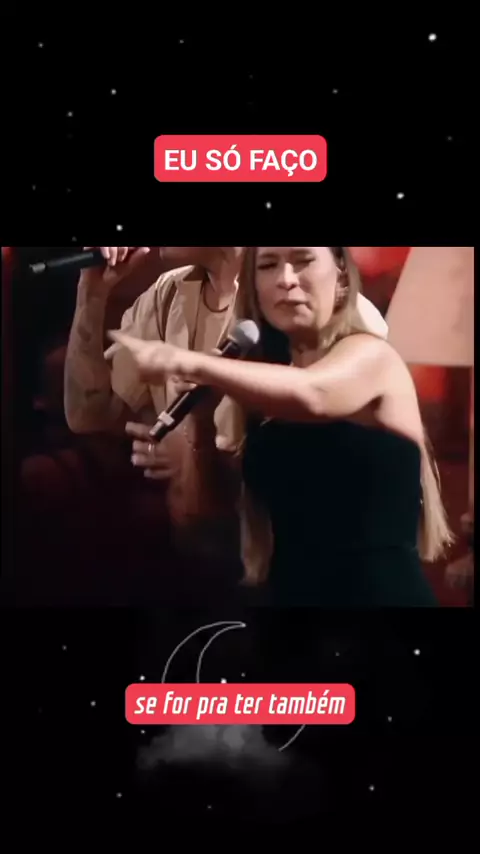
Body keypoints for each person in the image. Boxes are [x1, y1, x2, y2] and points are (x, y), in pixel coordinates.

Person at [109, 246, 453, 607]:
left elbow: (314, 394)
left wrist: (189, 362)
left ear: (340, 272)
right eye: (268, 265)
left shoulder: (373, 357)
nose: (285, 279)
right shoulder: (262, 384)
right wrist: (201, 424)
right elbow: (211, 522)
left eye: (302, 261)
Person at [64, 246, 388, 559]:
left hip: (303, 562)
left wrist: (197, 450)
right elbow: (88, 414)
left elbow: (345, 476)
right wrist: (91, 294)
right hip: (202, 555)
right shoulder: (167, 293)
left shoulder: (319, 304)